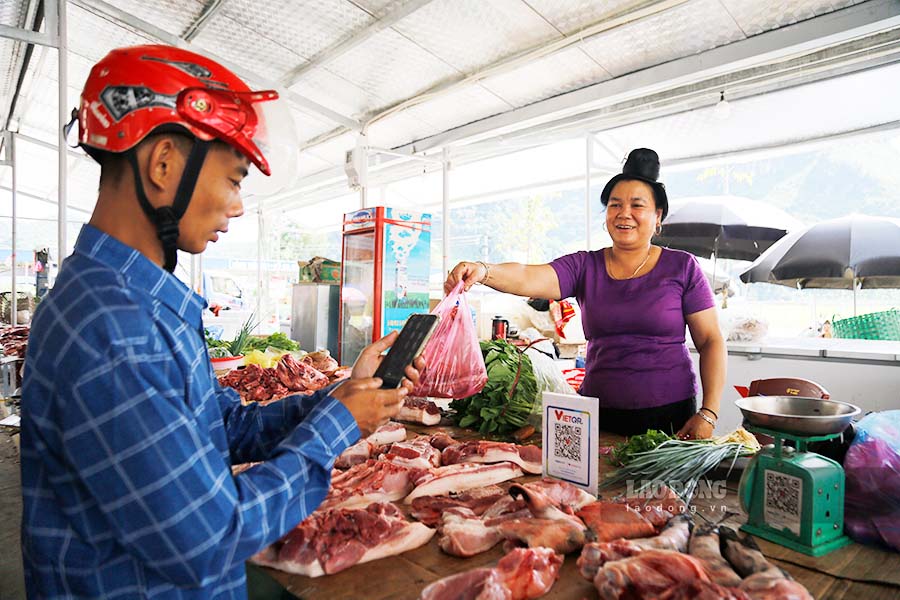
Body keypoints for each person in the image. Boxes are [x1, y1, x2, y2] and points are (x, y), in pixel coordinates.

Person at [20, 45, 423, 599]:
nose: (236, 206)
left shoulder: (134, 303)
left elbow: (220, 429)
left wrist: (342, 397)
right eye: (234, 180)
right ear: (163, 164)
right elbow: (211, 537)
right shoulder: (113, 327)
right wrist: (336, 428)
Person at [445, 148, 725, 439]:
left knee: (661, 487)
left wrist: (709, 412)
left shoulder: (682, 267)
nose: (624, 213)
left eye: (637, 205)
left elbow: (710, 340)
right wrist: (482, 270)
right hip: (598, 412)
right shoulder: (585, 266)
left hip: (670, 413)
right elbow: (530, 275)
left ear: (658, 217)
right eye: (615, 205)